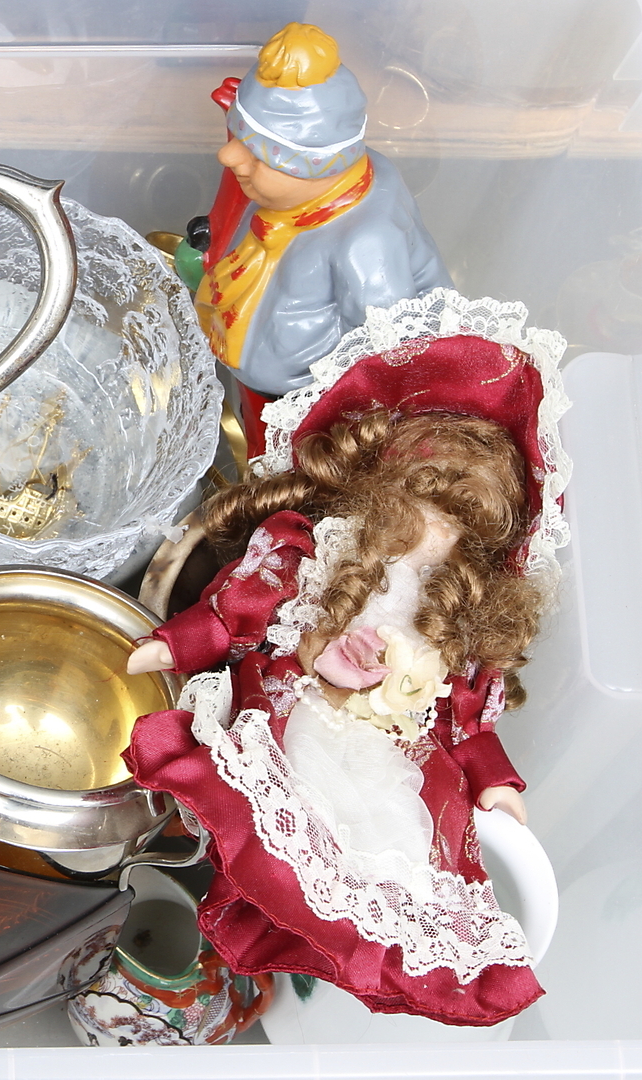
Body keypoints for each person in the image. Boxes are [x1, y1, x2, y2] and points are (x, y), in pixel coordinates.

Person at [123, 289, 570, 1026]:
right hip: (288, 705)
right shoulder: (311, 554)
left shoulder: (449, 636)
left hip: (384, 749)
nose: (390, 619)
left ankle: (309, 934)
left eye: (428, 582)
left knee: (386, 857)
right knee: (271, 825)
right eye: (390, 561)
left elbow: (466, 720)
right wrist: (172, 645)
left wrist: (494, 781)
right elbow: (238, 610)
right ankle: (239, 900)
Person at [194, 23, 452, 456]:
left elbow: (384, 356)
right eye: (238, 135)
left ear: (313, 167)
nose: (229, 156)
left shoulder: (364, 243)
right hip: (255, 381)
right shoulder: (296, 197)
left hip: (304, 412)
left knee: (277, 463)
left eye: (257, 153)